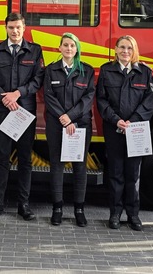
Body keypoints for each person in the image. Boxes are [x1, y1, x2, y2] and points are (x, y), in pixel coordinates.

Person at [0, 12, 45, 221]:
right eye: (11, 28)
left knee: (25, 159)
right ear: (5, 28)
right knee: (1, 159)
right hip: (2, 110)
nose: (15, 31)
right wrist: (4, 97)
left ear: (24, 28)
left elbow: (38, 80)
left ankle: (23, 205)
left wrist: (18, 93)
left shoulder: (34, 51)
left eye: (18, 27)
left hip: (25, 112)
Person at [96, 35, 153, 231]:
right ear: (115, 50)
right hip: (114, 128)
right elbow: (101, 100)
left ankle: (133, 215)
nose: (125, 51)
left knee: (133, 174)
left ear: (134, 50)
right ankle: (115, 214)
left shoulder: (145, 72)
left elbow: (149, 101)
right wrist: (116, 120)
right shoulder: (106, 71)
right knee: (115, 173)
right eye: (122, 47)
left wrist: (133, 121)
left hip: (136, 130)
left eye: (129, 48)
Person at [43, 33, 95, 227]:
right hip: (57, 124)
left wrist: (71, 117)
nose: (69, 49)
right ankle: (57, 209)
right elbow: (49, 96)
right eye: (65, 45)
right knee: (57, 164)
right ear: (59, 48)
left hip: (80, 125)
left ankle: (79, 210)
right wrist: (64, 119)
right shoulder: (51, 70)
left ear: (77, 48)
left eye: (72, 46)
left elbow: (88, 98)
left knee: (79, 166)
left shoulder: (86, 71)